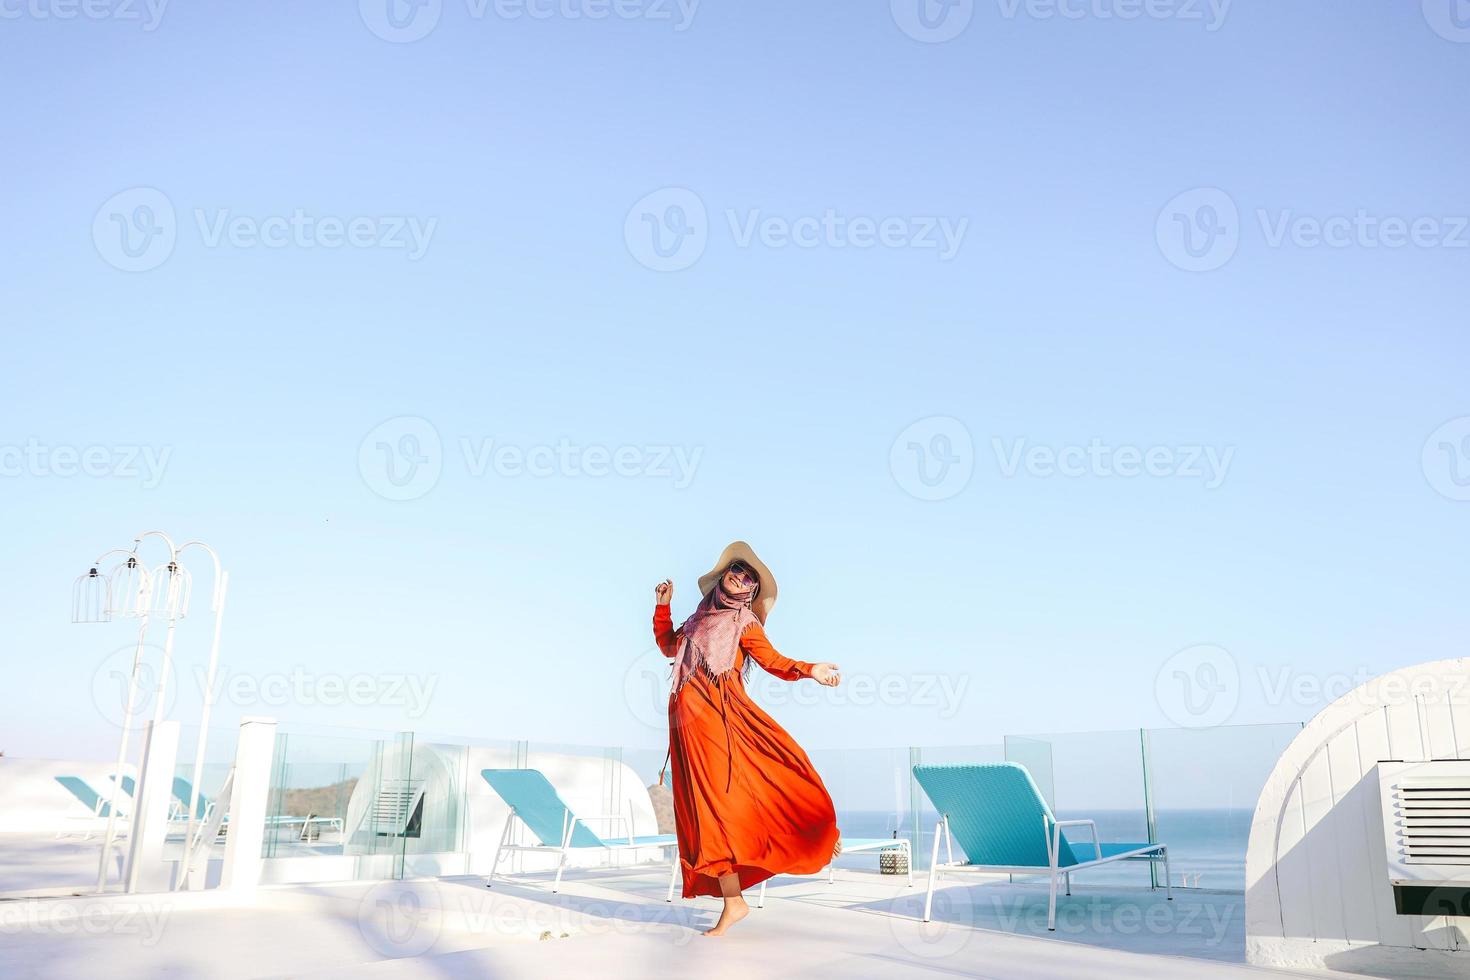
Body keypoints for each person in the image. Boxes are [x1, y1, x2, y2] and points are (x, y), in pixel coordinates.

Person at [653, 541, 842, 936]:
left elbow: (773, 661)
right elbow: (668, 645)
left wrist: (811, 669)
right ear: (723, 576)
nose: (741, 579)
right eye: (736, 571)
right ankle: (734, 901)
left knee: (729, 800)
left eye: (749, 579)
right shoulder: (694, 620)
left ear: (752, 592)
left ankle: (812, 829)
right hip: (689, 728)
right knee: (705, 813)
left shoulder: (744, 623)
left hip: (722, 721)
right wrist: (663, 607)